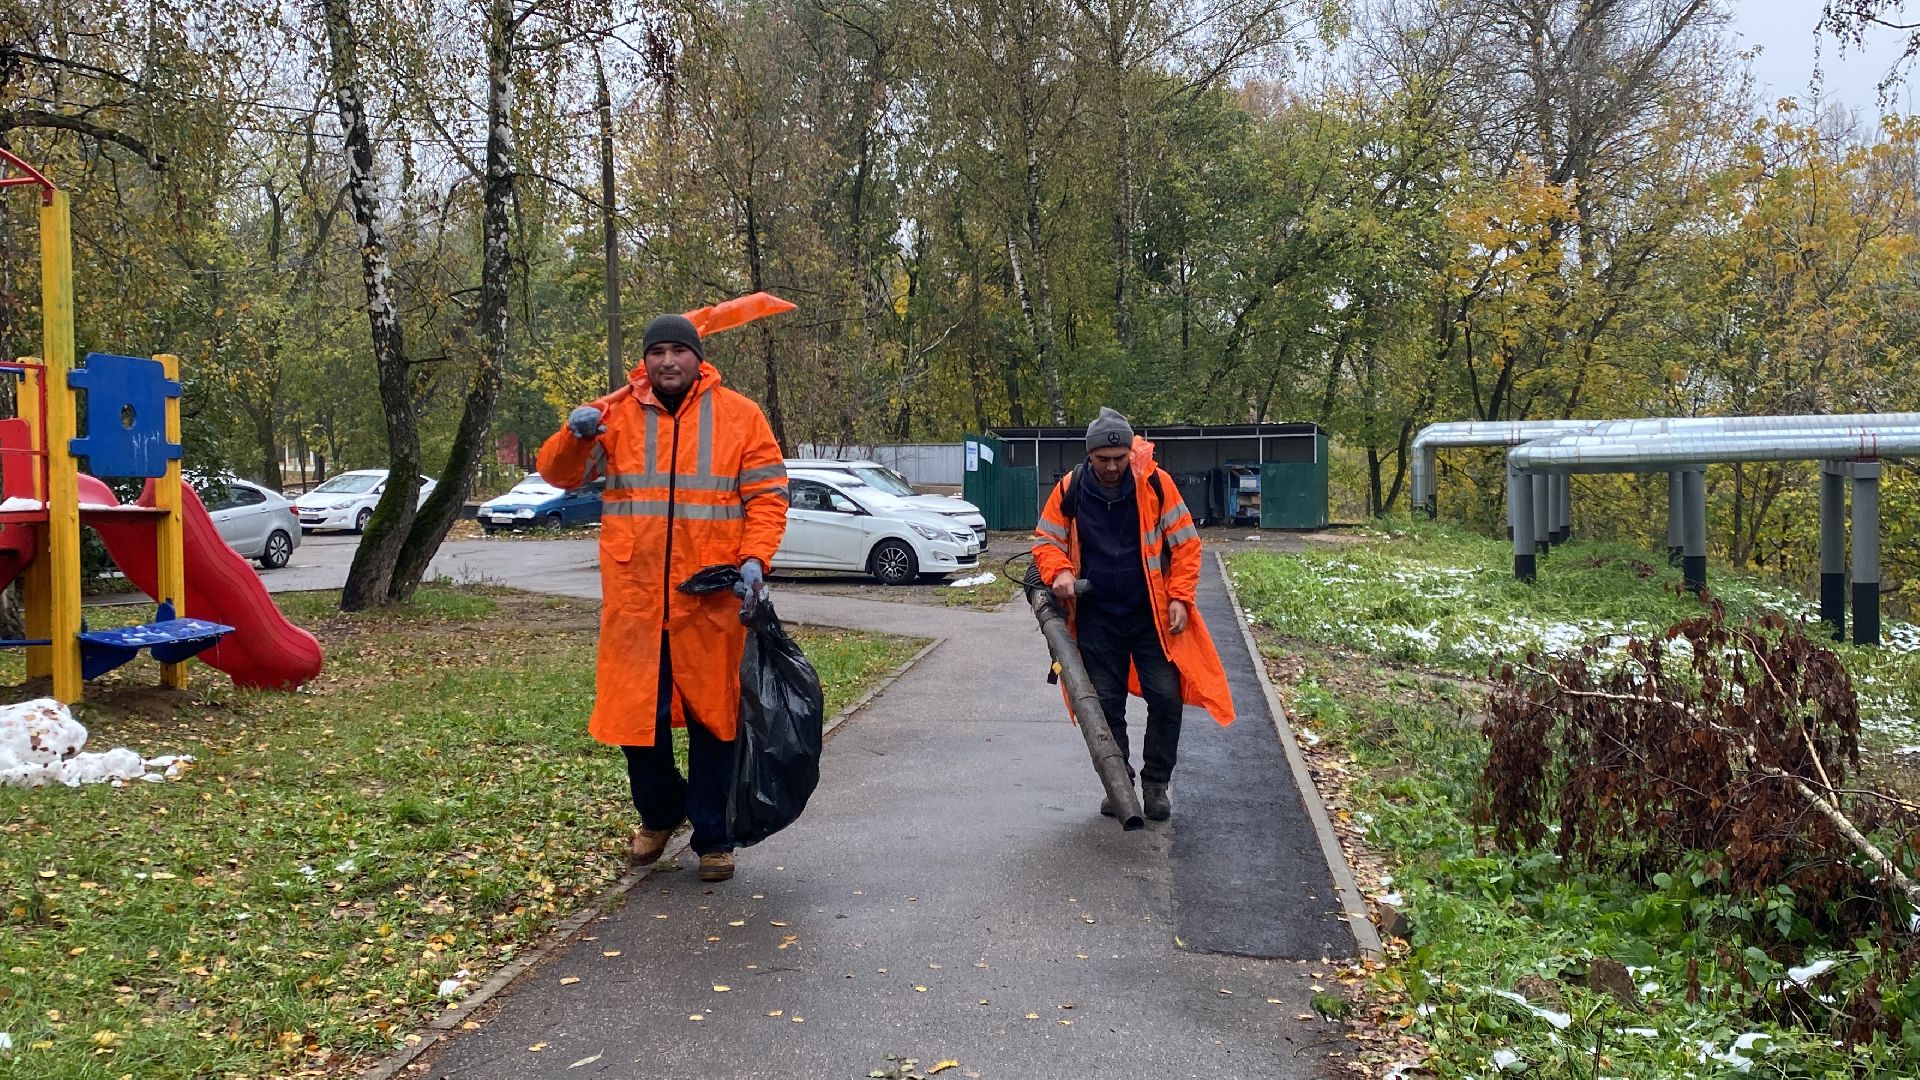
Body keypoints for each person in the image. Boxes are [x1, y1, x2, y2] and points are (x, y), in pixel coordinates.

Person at [537, 313, 788, 883]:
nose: (667, 361)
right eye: (657, 352)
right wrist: (572, 436)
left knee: (714, 720)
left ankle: (713, 839)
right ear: (644, 361)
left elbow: (769, 497)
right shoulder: (614, 416)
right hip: (635, 600)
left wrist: (755, 558)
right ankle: (658, 814)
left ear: (699, 359)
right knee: (636, 719)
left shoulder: (740, 416)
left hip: (711, 600)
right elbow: (559, 477)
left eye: (678, 351)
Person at [1030, 408, 1234, 821]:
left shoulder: (1156, 484)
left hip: (1151, 619)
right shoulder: (1070, 488)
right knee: (1105, 704)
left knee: (1166, 696)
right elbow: (1045, 541)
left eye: (1118, 458)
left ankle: (1156, 784)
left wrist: (1179, 597)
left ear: (1129, 452)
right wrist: (1061, 571)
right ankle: (1118, 783)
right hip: (1096, 617)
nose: (1110, 467)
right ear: (1089, 456)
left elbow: (1187, 546)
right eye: (1102, 459)